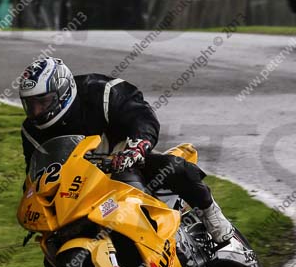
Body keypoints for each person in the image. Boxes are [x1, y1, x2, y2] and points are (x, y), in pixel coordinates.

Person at [19, 57, 234, 244]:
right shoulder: (31, 130)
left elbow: (141, 115)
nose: (37, 111)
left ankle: (209, 211)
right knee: (53, 253)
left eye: (43, 102)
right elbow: (37, 172)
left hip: (128, 162)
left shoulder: (100, 91)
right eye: (30, 105)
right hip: (81, 187)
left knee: (173, 166)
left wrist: (138, 146)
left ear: (62, 92)